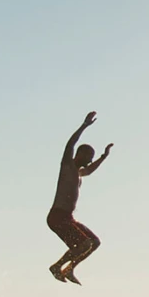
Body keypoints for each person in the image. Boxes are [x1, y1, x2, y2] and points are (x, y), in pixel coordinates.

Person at [48, 111, 111, 284]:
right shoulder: (67, 166)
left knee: (94, 242)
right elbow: (70, 144)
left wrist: (103, 158)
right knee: (84, 244)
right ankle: (57, 267)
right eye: (89, 158)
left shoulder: (79, 173)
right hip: (57, 216)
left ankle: (69, 269)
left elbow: (89, 171)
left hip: (68, 218)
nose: (89, 162)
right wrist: (84, 126)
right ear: (80, 154)